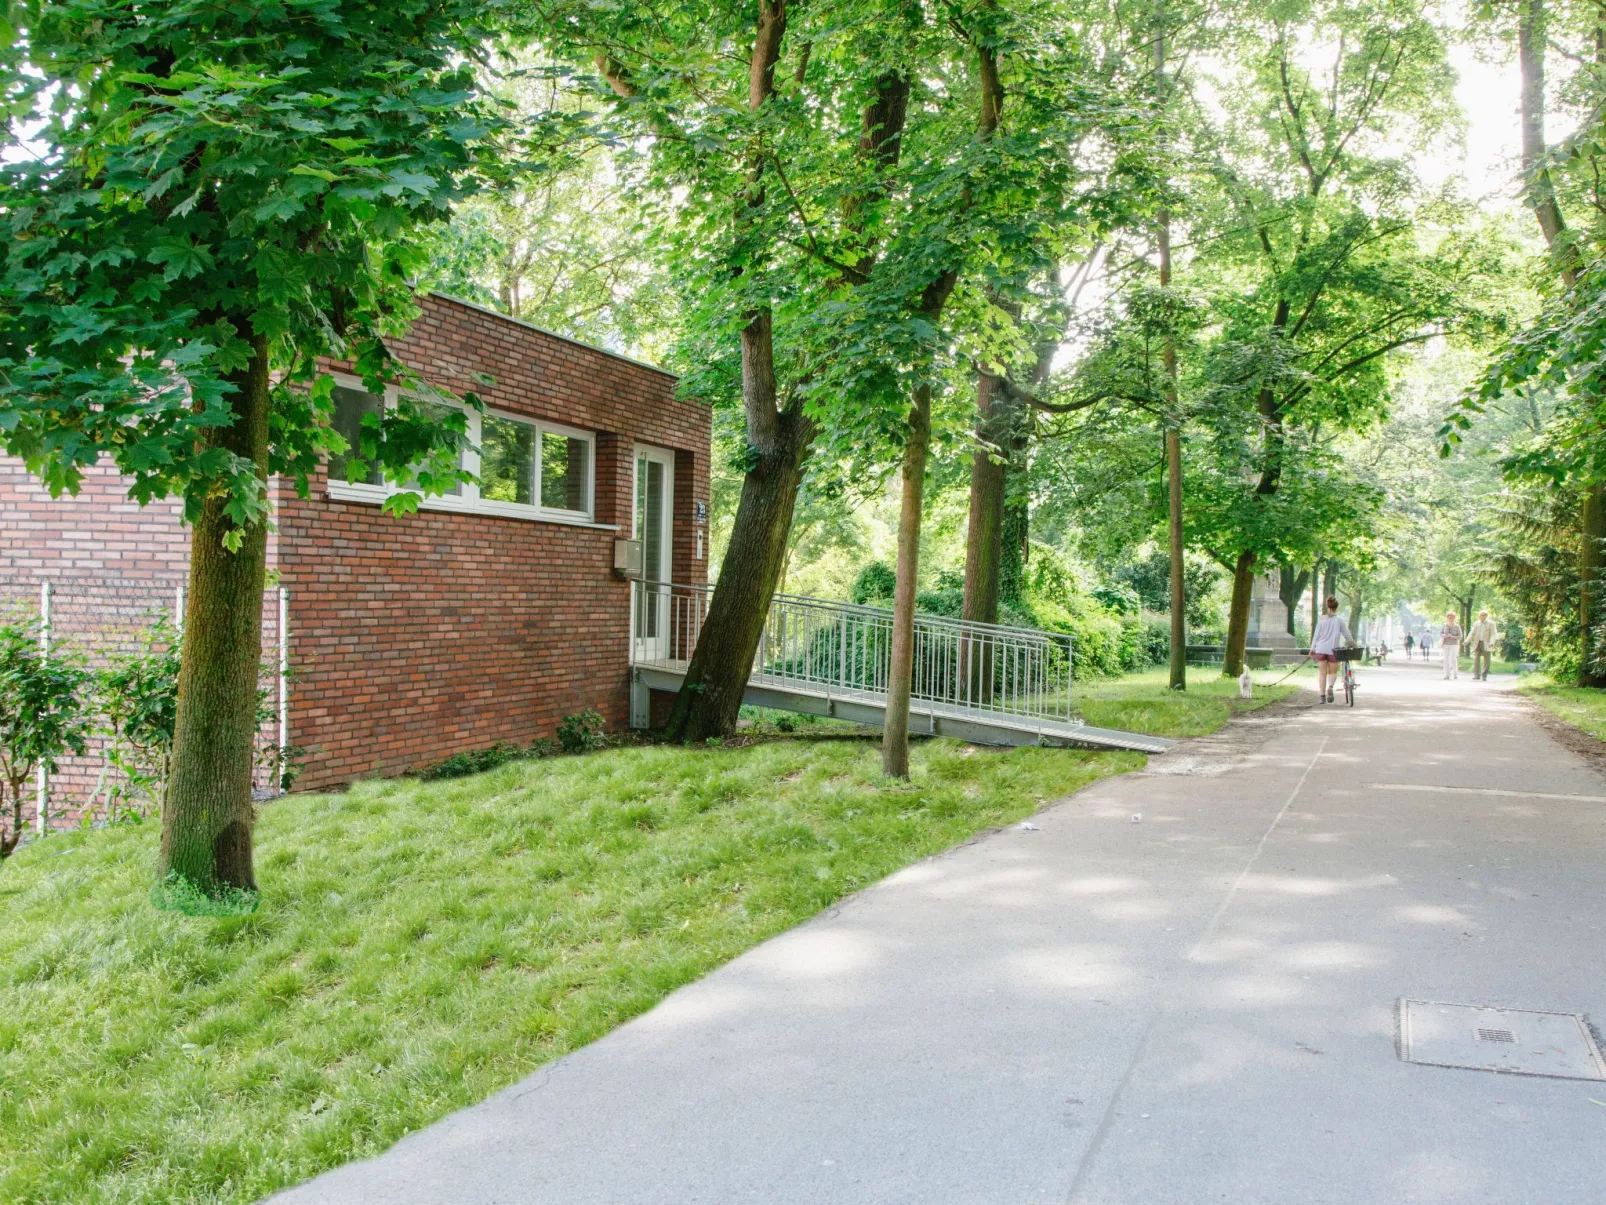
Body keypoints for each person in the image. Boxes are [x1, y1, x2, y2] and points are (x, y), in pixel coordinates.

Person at [1309, 594, 1354, 704]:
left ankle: (1322, 696)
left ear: (1327, 606)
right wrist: (1353, 643)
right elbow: (1347, 635)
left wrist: (1312, 648)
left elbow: (1316, 635)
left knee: (1322, 673)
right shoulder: (1340, 620)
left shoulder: (1321, 619)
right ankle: (1330, 687)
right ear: (1336, 607)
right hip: (1333, 650)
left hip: (1320, 648)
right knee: (1333, 672)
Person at [1467, 609, 1497, 680]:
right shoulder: (1476, 623)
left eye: (1483, 615)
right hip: (1477, 643)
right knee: (1476, 659)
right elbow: (1472, 633)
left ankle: (1484, 675)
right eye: (1480, 615)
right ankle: (1476, 675)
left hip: (1486, 643)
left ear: (1486, 616)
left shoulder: (1491, 623)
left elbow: (1493, 634)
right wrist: (1467, 640)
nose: (1481, 617)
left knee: (1486, 660)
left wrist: (1491, 642)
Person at [1440, 610, 1463, 679]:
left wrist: (1453, 636)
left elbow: (1460, 636)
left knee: (1453, 659)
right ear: (1447, 618)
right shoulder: (1444, 625)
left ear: (1454, 618)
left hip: (1454, 644)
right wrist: (1444, 635)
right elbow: (1441, 633)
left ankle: (1455, 673)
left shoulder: (1457, 626)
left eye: (1452, 618)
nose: (1451, 619)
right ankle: (1447, 674)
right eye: (1449, 618)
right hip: (1445, 644)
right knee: (1446, 659)